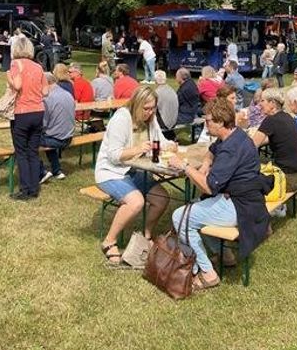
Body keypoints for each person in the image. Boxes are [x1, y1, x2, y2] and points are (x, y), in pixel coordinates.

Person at [170, 97, 270, 291]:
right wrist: (206, 164)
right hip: (250, 201)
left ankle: (208, 273)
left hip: (240, 207)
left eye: (208, 121)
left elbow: (209, 187)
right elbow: (212, 149)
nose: (205, 124)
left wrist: (184, 167)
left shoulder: (231, 150)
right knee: (195, 204)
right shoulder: (235, 135)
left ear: (221, 122)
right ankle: (224, 255)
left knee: (180, 216)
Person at [94, 86, 173, 267]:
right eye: (146, 108)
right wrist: (138, 149)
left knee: (162, 199)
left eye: (153, 108)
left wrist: (171, 145)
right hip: (111, 172)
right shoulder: (121, 119)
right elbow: (114, 155)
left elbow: (160, 139)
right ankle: (109, 241)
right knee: (136, 201)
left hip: (134, 171)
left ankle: (145, 235)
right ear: (136, 105)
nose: (150, 112)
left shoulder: (151, 119)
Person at [6, 35, 48, 201]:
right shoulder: (38, 67)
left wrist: (8, 76)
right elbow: (45, 91)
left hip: (22, 112)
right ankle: (34, 187)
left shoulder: (16, 64)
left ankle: (25, 190)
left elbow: (17, 85)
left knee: (21, 152)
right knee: (33, 151)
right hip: (38, 111)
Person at [250, 88, 297, 197]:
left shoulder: (271, 120)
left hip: (287, 180)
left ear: (272, 103)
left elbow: (251, 146)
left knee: (248, 166)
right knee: (261, 160)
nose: (259, 104)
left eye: (262, 101)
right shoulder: (287, 116)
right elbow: (278, 138)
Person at [38, 72, 75, 182]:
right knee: (49, 134)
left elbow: (43, 124)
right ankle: (56, 170)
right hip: (69, 136)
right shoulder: (68, 94)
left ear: (46, 83)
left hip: (57, 139)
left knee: (29, 139)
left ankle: (41, 172)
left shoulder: (47, 98)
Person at [154, 70, 179, 134]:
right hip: (174, 122)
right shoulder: (172, 90)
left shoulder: (157, 92)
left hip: (164, 124)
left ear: (155, 80)